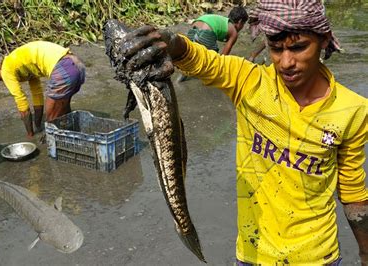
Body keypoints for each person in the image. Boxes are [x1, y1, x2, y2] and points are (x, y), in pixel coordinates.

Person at [116, 0, 367, 264]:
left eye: (299, 47)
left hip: (318, 256)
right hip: (254, 252)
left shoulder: (353, 110)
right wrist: (170, 42)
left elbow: (353, 194)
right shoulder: (249, 81)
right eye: (276, 48)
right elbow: (202, 61)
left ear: (324, 40)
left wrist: (365, 253)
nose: (286, 62)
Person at [0, 41, 86, 138]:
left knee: (51, 114)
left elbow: (21, 102)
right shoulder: (21, 63)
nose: (3, 80)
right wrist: (38, 126)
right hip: (76, 65)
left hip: (64, 68)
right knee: (63, 109)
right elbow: (37, 94)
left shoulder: (6, 68)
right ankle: (72, 134)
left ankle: (52, 141)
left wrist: (30, 135)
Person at [177, 7, 248, 82]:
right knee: (213, 59)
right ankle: (208, 79)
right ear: (240, 22)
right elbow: (224, 55)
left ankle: (184, 74)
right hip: (206, 31)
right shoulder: (234, 32)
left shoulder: (223, 21)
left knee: (191, 55)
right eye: (243, 24)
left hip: (194, 26)